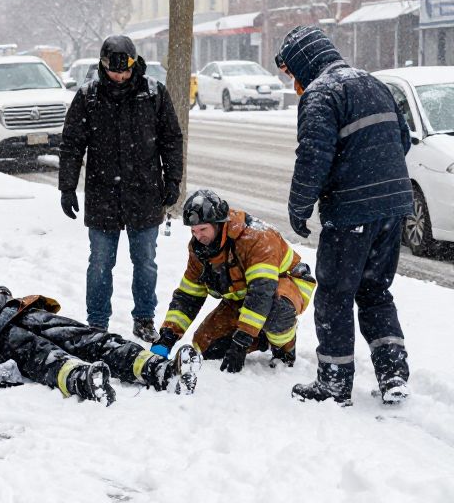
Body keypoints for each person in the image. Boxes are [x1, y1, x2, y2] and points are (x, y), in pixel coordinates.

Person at [275, 25, 413, 405]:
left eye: (290, 73)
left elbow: (313, 159)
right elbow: (403, 140)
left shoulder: (322, 94)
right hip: (393, 208)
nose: (293, 83)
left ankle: (334, 383)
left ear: (303, 62)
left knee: (335, 294)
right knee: (374, 290)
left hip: (351, 213)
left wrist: (299, 207)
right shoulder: (372, 83)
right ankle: (393, 373)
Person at [0, 287, 201, 405]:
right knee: (47, 358)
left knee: (90, 338)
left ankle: (160, 370)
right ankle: (83, 381)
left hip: (18, 312)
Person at [58, 35, 183, 342]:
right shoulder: (88, 96)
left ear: (133, 64)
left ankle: (144, 318)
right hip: (103, 195)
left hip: (145, 193)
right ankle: (97, 322)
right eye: (114, 71)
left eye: (124, 70)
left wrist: (173, 180)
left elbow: (171, 139)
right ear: (103, 66)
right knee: (100, 262)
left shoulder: (154, 94)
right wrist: (67, 187)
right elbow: (72, 145)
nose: (120, 76)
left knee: (145, 261)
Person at [151, 190, 316, 374]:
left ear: (219, 224)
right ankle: (261, 336)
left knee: (276, 310)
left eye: (203, 229)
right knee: (204, 345)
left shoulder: (256, 239)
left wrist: (242, 340)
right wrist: (168, 335)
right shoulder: (200, 249)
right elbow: (189, 295)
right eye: (193, 231)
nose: (198, 236)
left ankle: (285, 346)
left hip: (286, 285)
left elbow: (262, 292)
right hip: (243, 295)